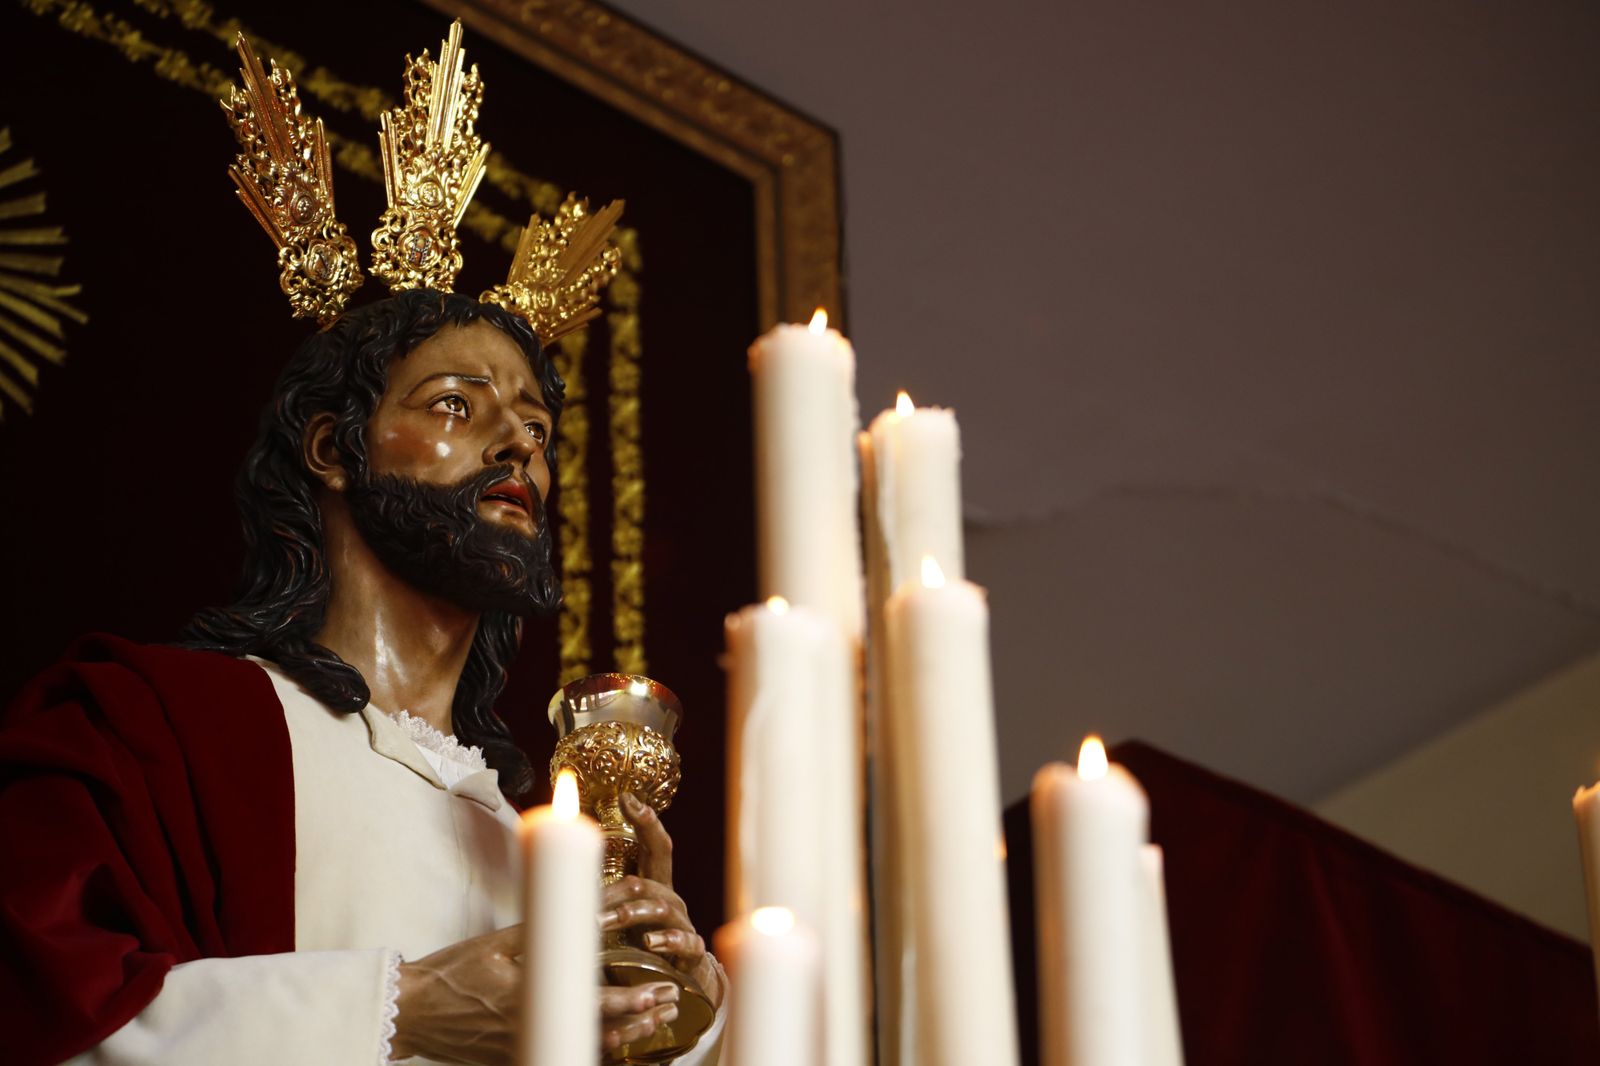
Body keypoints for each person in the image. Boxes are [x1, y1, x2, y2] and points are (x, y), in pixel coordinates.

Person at [0, 290, 726, 1065]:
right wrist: (396, 1011)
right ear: (332, 449)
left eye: (538, 428)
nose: (519, 443)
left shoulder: (531, 846)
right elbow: (41, 1010)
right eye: (455, 404)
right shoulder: (153, 729)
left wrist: (675, 1011)